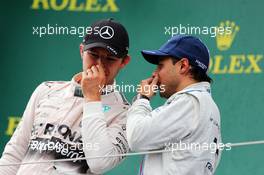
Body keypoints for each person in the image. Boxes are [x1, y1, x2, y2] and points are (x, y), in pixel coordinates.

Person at [0, 18, 131, 175]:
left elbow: (99, 163)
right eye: (93, 54)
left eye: (110, 58)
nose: (99, 64)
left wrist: (92, 98)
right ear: (82, 51)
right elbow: (16, 151)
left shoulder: (125, 114)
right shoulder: (46, 90)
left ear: (124, 62)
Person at [126, 35, 222, 175]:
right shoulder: (207, 104)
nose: (155, 73)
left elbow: (136, 137)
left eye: (160, 66)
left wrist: (142, 98)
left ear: (183, 66)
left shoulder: (190, 102)